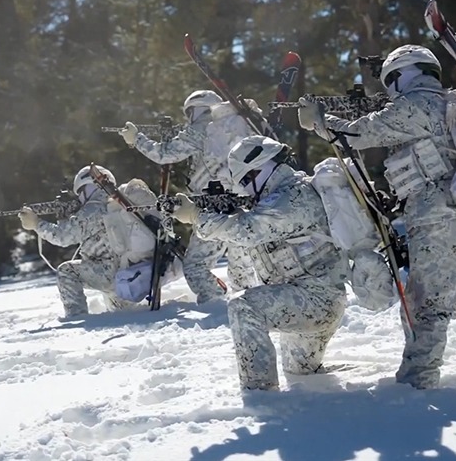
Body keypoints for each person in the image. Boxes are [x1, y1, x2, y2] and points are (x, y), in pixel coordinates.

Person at [298, 45, 456, 389]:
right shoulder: (448, 104)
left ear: (400, 75)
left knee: (425, 301)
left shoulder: (420, 104)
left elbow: (361, 134)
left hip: (436, 211)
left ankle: (418, 383)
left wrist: (320, 121)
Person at [170, 136, 348, 392]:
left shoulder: (293, 198)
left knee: (243, 306)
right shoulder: (277, 197)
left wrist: (197, 216)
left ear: (259, 170)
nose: (244, 189)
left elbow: (248, 230)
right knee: (300, 373)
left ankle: (259, 393)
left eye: (244, 181)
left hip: (316, 299)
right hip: (303, 299)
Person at [119, 90, 259, 303]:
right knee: (242, 269)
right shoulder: (237, 128)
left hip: (212, 210)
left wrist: (136, 139)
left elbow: (164, 154)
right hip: (244, 205)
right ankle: (248, 304)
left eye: (190, 112)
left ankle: (215, 305)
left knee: (195, 267)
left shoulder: (201, 129)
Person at [18, 165, 163, 318]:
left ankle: (76, 318)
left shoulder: (92, 209)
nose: (79, 198)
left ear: (88, 187)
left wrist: (36, 224)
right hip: (133, 269)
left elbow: (62, 237)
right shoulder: (118, 202)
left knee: (67, 271)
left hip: (109, 273)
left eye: (80, 192)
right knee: (121, 315)